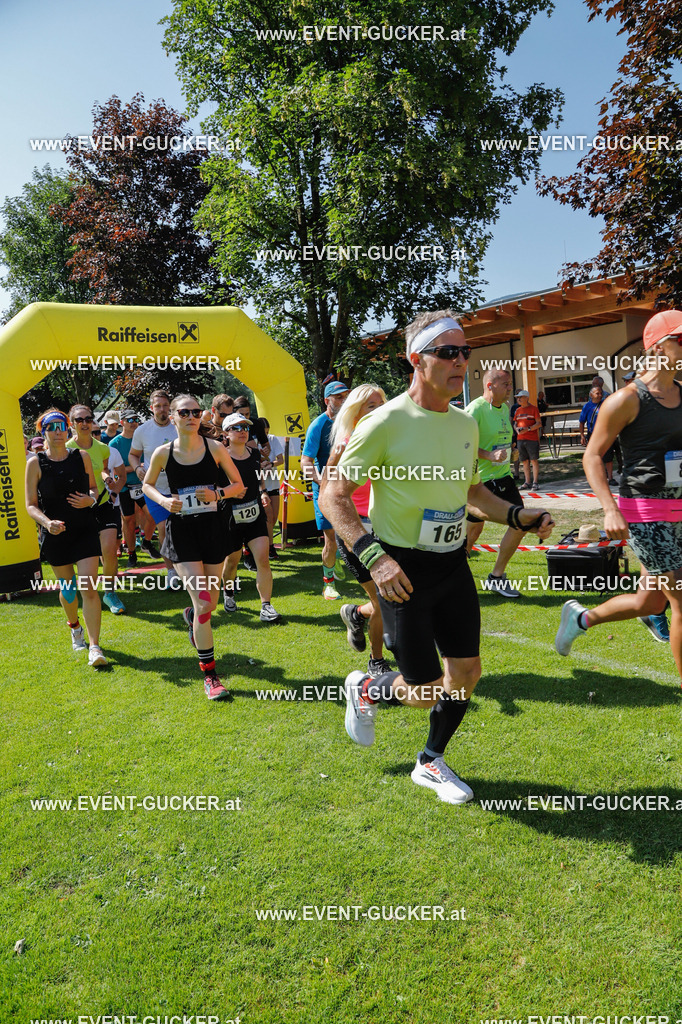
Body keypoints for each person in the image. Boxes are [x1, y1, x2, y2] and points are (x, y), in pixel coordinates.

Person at [320, 310, 553, 805]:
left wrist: (518, 515)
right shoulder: (384, 422)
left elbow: (471, 492)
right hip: (401, 570)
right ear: (416, 360)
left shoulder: (464, 423)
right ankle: (367, 688)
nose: (460, 361)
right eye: (448, 352)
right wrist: (375, 558)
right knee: (424, 689)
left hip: (452, 563)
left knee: (466, 673)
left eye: (465, 352)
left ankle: (430, 760)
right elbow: (332, 495)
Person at [555, 309, 682, 667]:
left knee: (650, 602)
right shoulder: (626, 399)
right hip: (645, 514)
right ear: (657, 347)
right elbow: (593, 456)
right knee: (680, 599)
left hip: (679, 510)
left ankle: (580, 618)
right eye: (680, 339)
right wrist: (610, 509)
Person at [142, 394, 246, 699]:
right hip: (182, 533)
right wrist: (164, 501)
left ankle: (192, 618)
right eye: (184, 412)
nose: (191, 417)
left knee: (208, 605)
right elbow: (147, 484)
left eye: (196, 412)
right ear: (173, 417)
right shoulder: (163, 453)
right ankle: (210, 676)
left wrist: (217, 494)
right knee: (204, 605)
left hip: (212, 531)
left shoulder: (215, 448)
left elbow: (239, 486)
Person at [25, 408, 108, 666]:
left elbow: (94, 489)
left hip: (84, 529)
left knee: (88, 588)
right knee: (69, 590)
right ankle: (74, 626)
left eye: (61, 426)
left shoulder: (81, 456)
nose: (57, 432)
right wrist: (47, 523)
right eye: (51, 427)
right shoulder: (35, 463)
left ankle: (95, 647)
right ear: (43, 432)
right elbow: (30, 505)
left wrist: (90, 500)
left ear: (67, 429)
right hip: (55, 534)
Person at [325, 383, 392, 676]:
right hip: (355, 530)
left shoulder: (390, 440)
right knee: (382, 599)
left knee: (392, 596)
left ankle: (356, 613)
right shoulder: (346, 444)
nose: (378, 412)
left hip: (387, 525)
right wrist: (332, 459)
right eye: (370, 406)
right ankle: (376, 661)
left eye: (381, 405)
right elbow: (328, 492)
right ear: (355, 414)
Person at [465, 369, 525, 598]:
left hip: (503, 477)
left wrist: (512, 450)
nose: (510, 388)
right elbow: (461, 443)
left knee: (520, 521)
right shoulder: (476, 409)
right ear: (490, 385)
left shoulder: (504, 409)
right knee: (472, 531)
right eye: (506, 384)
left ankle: (496, 577)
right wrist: (488, 455)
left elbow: (501, 438)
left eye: (510, 384)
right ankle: (454, 577)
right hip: (481, 481)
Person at [220, 411, 282, 622]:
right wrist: (229, 492)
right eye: (236, 428)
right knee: (232, 561)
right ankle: (228, 592)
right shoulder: (220, 457)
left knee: (262, 559)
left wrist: (263, 492)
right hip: (230, 516)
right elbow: (212, 486)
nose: (242, 431)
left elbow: (258, 477)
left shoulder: (255, 454)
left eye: (245, 427)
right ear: (226, 433)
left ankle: (266, 606)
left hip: (255, 514)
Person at [66, 404, 125, 615]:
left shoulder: (102, 448)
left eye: (88, 419)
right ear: (72, 424)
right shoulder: (66, 448)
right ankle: (85, 593)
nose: (84, 423)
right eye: (79, 420)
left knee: (109, 550)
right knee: (83, 555)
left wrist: (111, 486)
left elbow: (104, 470)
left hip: (102, 503)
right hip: (78, 507)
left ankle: (110, 592)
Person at [301, 380, 350, 599]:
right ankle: (328, 584)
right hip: (325, 489)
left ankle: (340, 558)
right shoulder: (318, 425)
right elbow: (305, 462)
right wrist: (323, 483)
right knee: (330, 537)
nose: (343, 400)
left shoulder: (353, 422)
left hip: (349, 486)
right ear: (326, 400)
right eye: (338, 397)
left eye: (346, 396)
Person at [129, 391, 179, 587]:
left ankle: (186, 567)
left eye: (165, 405)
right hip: (154, 488)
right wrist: (137, 468)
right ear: (152, 408)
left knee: (182, 529)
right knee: (163, 528)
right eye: (158, 406)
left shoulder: (179, 426)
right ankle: (171, 571)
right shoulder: (142, 431)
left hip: (178, 487)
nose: (162, 409)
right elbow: (133, 455)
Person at [109, 410, 160, 568]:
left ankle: (146, 542)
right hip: (125, 488)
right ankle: (131, 553)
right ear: (122, 422)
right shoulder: (115, 443)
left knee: (153, 515)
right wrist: (136, 467)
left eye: (136, 419)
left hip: (144, 485)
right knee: (129, 522)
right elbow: (115, 471)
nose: (133, 422)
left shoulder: (143, 438)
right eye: (129, 420)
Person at [253, 417, 284, 558]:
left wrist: (270, 464)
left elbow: (280, 460)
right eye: (262, 432)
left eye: (266, 432)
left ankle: (265, 545)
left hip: (273, 482)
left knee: (274, 517)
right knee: (267, 516)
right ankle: (269, 548)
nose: (265, 435)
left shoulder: (272, 439)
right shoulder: (251, 441)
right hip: (259, 485)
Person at [580, 386, 615, 483]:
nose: (600, 395)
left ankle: (610, 478)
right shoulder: (587, 406)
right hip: (592, 434)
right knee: (595, 457)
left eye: (601, 393)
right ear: (591, 395)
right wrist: (582, 435)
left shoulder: (605, 404)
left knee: (608, 456)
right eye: (597, 393)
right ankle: (598, 479)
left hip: (605, 434)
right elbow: (582, 422)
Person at [513, 390, 542, 490]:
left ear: (527, 398)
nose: (518, 399)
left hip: (532, 439)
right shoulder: (517, 410)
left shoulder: (534, 409)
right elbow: (515, 423)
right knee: (524, 461)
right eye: (517, 397)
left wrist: (528, 429)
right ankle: (527, 482)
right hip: (520, 439)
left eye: (520, 397)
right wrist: (517, 429)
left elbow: (539, 423)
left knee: (533, 460)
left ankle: (535, 482)